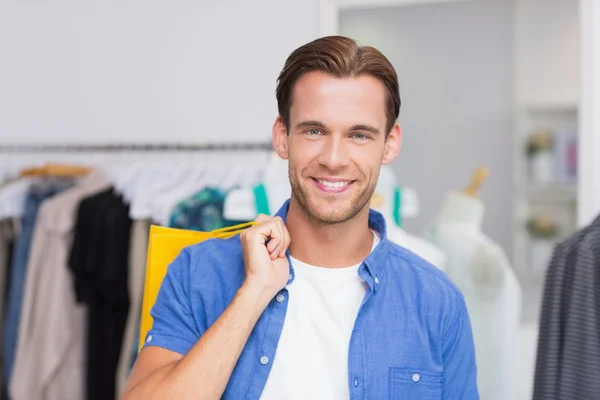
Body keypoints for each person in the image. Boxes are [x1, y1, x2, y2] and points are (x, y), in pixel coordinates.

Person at [122, 36, 479, 400]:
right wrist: (253, 292)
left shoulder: (437, 300)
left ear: (389, 144)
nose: (334, 158)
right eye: (314, 130)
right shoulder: (198, 272)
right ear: (282, 137)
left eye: (359, 135)